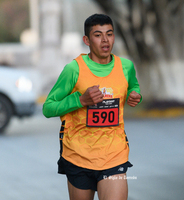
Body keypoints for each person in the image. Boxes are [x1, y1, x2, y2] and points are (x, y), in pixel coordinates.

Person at [43, 13, 142, 200]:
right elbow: (48, 107)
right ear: (86, 40)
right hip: (78, 155)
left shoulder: (126, 67)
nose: (105, 40)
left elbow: (132, 86)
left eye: (109, 33)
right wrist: (80, 101)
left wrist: (134, 95)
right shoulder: (74, 69)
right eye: (98, 35)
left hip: (114, 154)